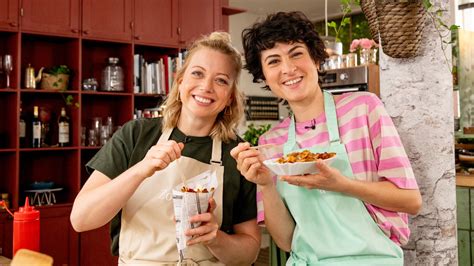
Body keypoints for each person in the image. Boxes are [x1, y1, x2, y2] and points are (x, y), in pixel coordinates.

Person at [231, 11, 422, 265]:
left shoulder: (364, 109)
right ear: (264, 76)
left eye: (297, 53)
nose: (288, 69)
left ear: (317, 60)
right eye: (273, 61)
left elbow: (411, 201)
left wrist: (342, 184)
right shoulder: (271, 142)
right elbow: (286, 240)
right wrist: (266, 184)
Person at [70, 32, 261, 265]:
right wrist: (141, 169)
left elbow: (249, 252)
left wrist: (215, 238)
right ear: (180, 82)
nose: (206, 86)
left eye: (221, 80)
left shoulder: (238, 155)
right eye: (197, 73)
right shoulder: (136, 135)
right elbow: (81, 219)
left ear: (230, 96)